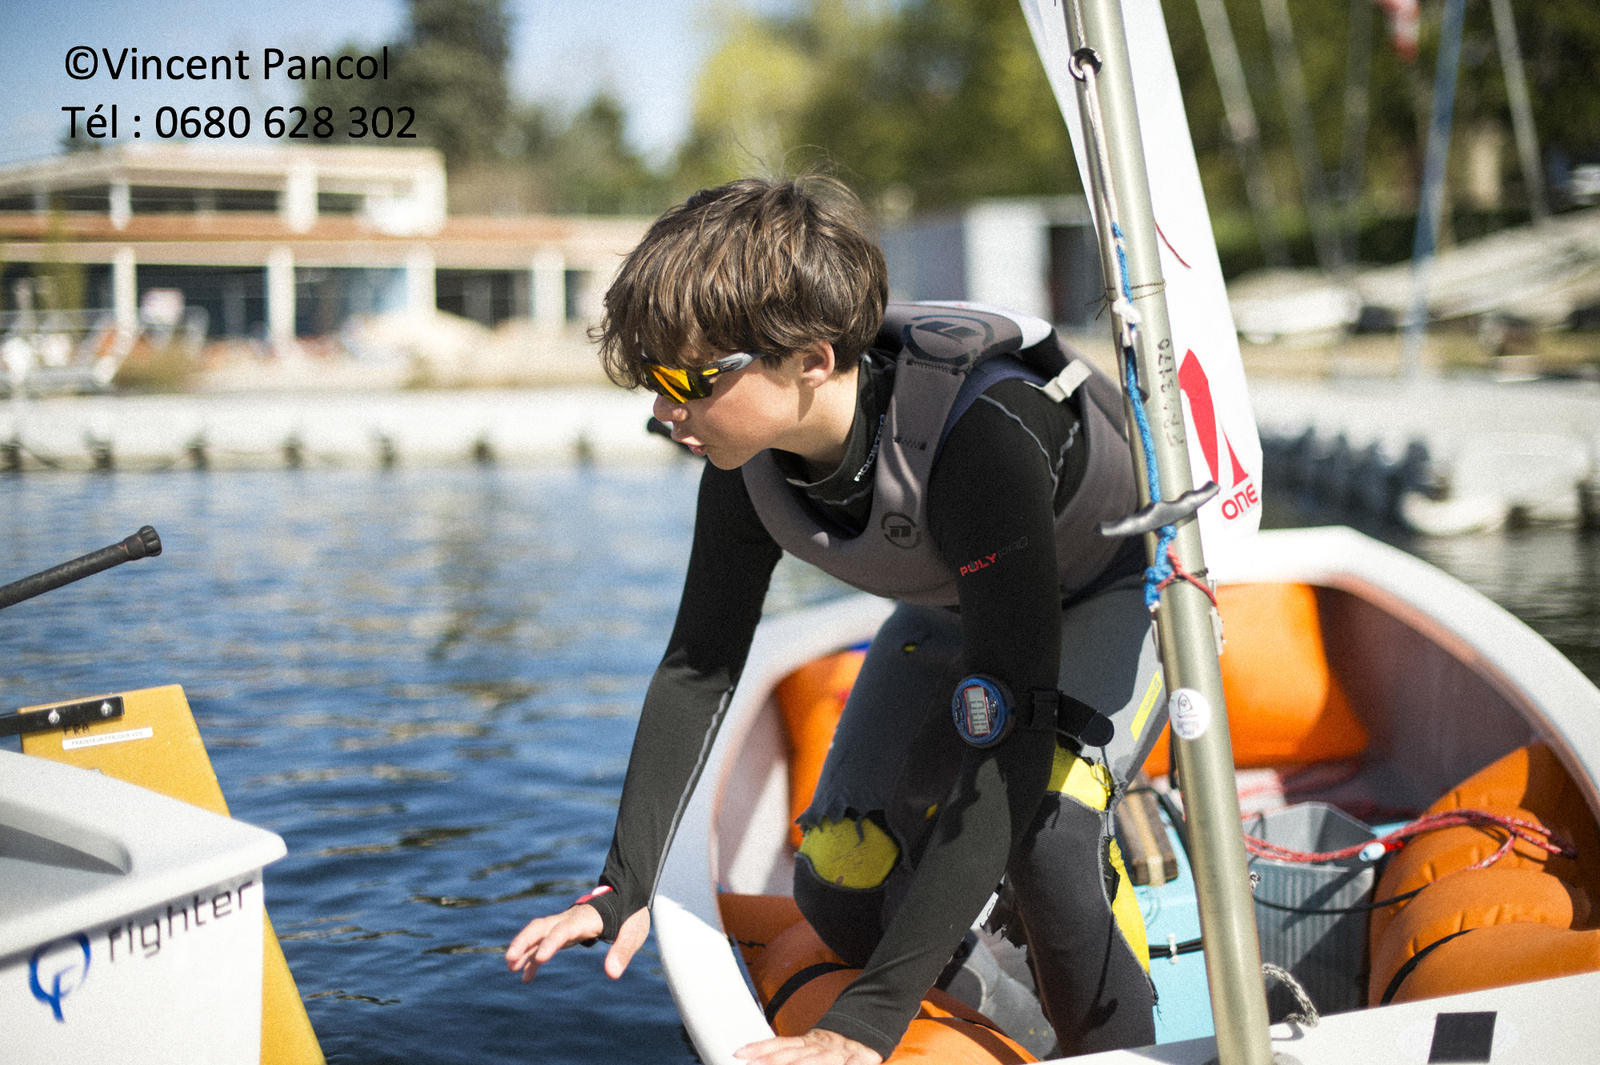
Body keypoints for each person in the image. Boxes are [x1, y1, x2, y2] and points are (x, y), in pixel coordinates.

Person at [505, 176, 1168, 1064]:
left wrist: (863, 1022)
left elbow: (1008, 741)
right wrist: (622, 887)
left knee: (1047, 832)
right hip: (953, 607)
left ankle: (1118, 1039)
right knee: (843, 882)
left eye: (685, 380)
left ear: (812, 360)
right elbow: (699, 667)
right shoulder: (744, 460)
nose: (664, 411)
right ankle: (1012, 1003)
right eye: (651, 381)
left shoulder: (983, 443)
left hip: (1111, 592)